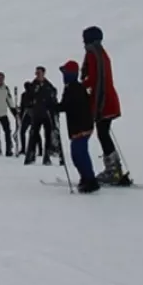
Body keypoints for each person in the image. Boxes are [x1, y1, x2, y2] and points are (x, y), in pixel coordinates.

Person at [81, 25, 127, 185]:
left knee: (103, 133)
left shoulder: (93, 54)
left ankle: (113, 170)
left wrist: (81, 86)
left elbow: (94, 79)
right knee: (104, 132)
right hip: (109, 100)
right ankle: (115, 169)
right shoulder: (102, 53)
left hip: (104, 102)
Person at [59, 60, 99, 193]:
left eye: (65, 72)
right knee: (78, 153)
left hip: (82, 127)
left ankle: (90, 180)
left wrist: (52, 106)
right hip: (81, 127)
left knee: (79, 153)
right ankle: (86, 178)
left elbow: (66, 106)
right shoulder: (72, 87)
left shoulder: (74, 89)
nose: (63, 75)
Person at [25, 67, 58, 165]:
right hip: (36, 114)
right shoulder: (33, 85)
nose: (37, 75)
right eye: (36, 73)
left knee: (48, 136)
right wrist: (30, 107)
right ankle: (30, 156)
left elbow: (53, 99)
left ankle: (47, 157)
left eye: (39, 73)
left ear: (43, 73)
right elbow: (27, 98)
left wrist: (53, 111)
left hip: (46, 115)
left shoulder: (48, 86)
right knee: (33, 135)